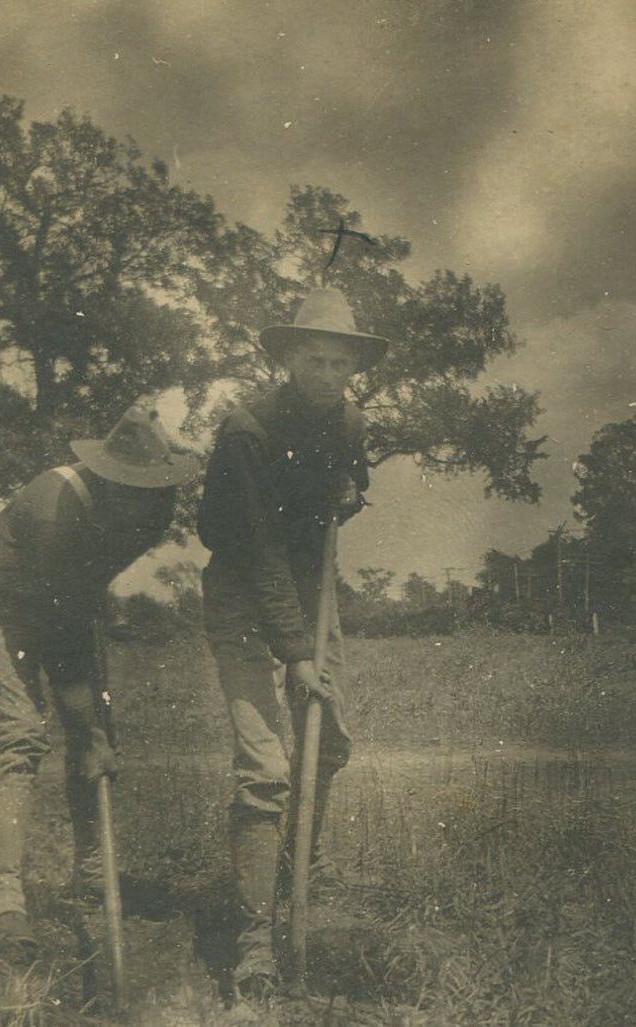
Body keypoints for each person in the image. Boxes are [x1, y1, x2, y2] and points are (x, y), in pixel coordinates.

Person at [197, 287, 390, 997]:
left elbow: (349, 481)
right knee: (264, 767)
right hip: (244, 586)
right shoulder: (246, 429)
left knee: (328, 739)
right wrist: (297, 656)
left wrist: (349, 488)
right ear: (287, 358)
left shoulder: (347, 419)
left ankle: (295, 874)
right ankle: (254, 943)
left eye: (341, 363)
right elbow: (258, 548)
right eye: (314, 360)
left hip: (309, 584)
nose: (328, 375)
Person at [0, 399, 201, 950]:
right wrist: (88, 729)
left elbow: (83, 596)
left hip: (74, 598)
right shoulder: (54, 509)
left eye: (149, 486)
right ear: (105, 475)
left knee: (97, 738)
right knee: (24, 735)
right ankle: (2, 897)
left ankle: (93, 875)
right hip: (7, 601)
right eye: (126, 487)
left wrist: (93, 732)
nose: (138, 498)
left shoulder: (157, 501)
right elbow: (63, 643)